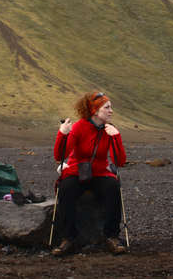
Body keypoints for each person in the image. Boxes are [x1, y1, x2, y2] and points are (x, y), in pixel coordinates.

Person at [51, 91, 127, 256]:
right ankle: (68, 238)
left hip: (100, 172)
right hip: (76, 171)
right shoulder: (79, 127)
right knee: (66, 187)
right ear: (95, 110)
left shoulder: (110, 129)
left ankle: (111, 236)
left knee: (113, 186)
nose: (111, 111)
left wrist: (116, 137)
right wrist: (63, 133)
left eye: (110, 107)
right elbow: (59, 156)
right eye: (107, 107)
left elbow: (119, 161)